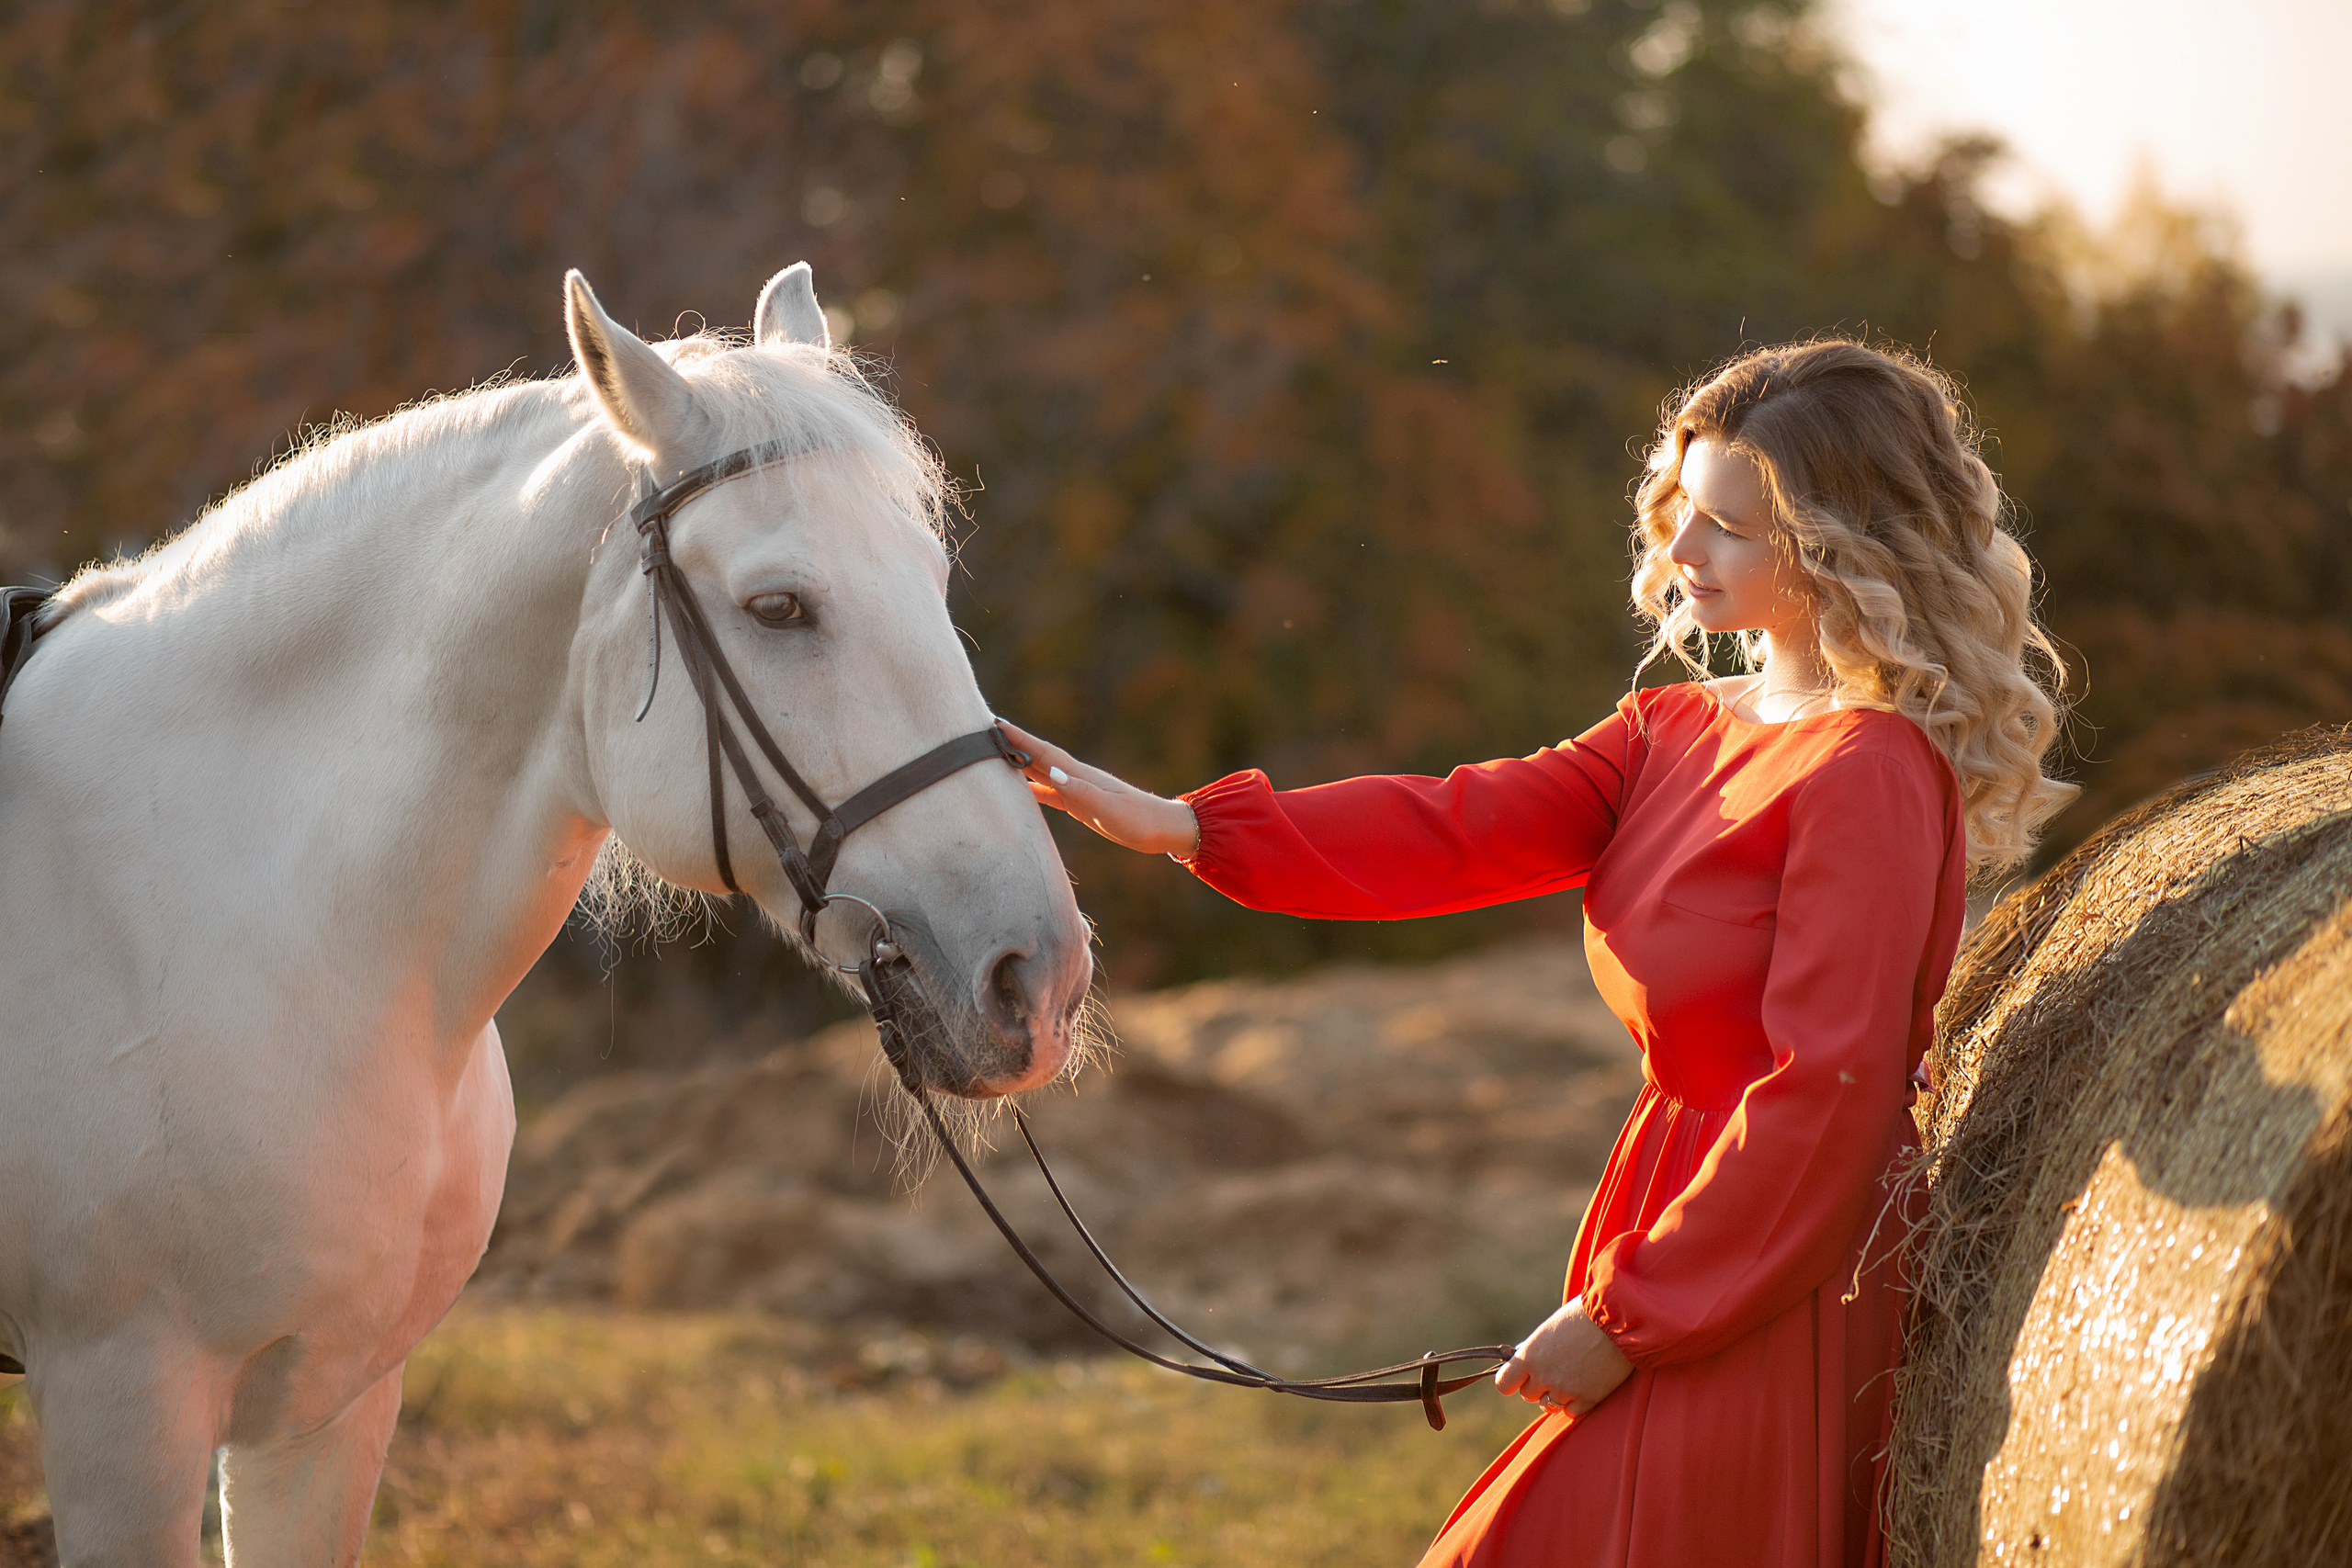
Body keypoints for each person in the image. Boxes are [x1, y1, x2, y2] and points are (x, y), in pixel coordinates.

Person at [999, 338, 2075, 1567]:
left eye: (1730, 527)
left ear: (1841, 543)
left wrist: (1630, 1319)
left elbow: (1828, 1092)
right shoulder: (1670, 731)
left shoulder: (1869, 770)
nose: (1683, 556)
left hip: (1778, 1268)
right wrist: (1180, 825)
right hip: (1673, 1220)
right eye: (1683, 513)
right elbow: (1453, 825)